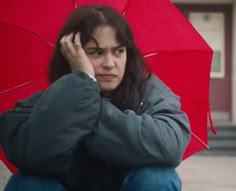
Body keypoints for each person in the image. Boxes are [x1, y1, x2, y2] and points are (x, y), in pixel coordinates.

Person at [0, 4, 190, 191]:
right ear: (71, 55)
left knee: (157, 178)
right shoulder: (50, 98)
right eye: (96, 52)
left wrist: (81, 106)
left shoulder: (149, 91)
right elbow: (30, 154)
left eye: (118, 51)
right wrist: (82, 83)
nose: (109, 63)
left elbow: (169, 145)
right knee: (29, 182)